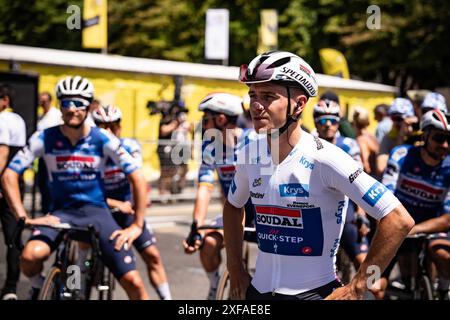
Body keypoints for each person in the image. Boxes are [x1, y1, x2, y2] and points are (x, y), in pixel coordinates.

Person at [223, 50, 414, 300]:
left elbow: (399, 219)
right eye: (253, 95)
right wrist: (235, 266)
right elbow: (233, 207)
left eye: (268, 96)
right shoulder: (249, 154)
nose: (256, 105)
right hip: (258, 293)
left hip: (313, 294)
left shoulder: (325, 158)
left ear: (300, 104)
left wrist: (359, 286)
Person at [1, 76, 149, 300]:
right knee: (30, 258)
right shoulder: (44, 137)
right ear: (59, 106)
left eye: (79, 103)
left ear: (89, 107)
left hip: (97, 212)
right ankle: (39, 287)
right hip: (60, 213)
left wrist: (137, 225)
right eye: (66, 103)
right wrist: (23, 216)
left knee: (134, 282)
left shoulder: (102, 138)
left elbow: (137, 176)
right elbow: (10, 174)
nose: (72, 109)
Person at [91, 104, 172, 300]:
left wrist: (138, 203)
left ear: (119, 126)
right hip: (99, 209)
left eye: (113, 125)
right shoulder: (89, 150)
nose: (109, 131)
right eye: (102, 126)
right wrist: (115, 203)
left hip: (127, 211)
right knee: (81, 256)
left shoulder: (129, 146)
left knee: (153, 256)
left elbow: (138, 178)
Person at [182, 92, 255, 300]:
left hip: (260, 213)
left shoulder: (253, 141)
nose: (202, 124)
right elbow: (204, 187)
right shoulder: (209, 146)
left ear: (221, 119)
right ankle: (215, 287)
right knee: (208, 244)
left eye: (206, 119)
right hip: (232, 213)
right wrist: (196, 225)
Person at [379, 109, 450, 299]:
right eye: (439, 138)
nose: (445, 145)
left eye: (449, 139)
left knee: (444, 256)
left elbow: (447, 219)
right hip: (397, 221)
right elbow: (385, 197)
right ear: (425, 135)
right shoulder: (402, 154)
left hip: (431, 225)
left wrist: (413, 229)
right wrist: (399, 226)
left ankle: (443, 288)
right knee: (374, 285)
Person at [313, 100, 371, 274]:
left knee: (369, 271)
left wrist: (362, 213)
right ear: (316, 122)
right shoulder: (307, 142)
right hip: (317, 211)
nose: (328, 124)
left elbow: (360, 181)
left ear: (339, 122)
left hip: (347, 210)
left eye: (333, 120)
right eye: (323, 121)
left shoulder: (349, 145)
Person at [0, 84, 26, 300]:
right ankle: (11, 287)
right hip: (17, 182)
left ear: (5, 100)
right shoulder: (18, 119)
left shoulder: (2, 119)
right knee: (13, 237)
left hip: (3, 183)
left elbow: (2, 154)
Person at [36, 92, 63, 215]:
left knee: (51, 186)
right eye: (40, 101)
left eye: (44, 101)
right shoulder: (40, 117)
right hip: (42, 157)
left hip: (55, 156)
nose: (42, 103)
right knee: (43, 186)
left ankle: (53, 212)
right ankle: (45, 212)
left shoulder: (56, 115)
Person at [376, 98, 417, 177]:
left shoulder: (420, 136)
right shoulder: (388, 137)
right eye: (395, 118)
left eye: (400, 119)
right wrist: (401, 136)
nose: (398, 123)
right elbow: (380, 169)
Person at [352, 106, 380, 177]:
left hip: (371, 177)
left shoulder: (361, 139)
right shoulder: (371, 136)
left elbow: (366, 165)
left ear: (354, 122)